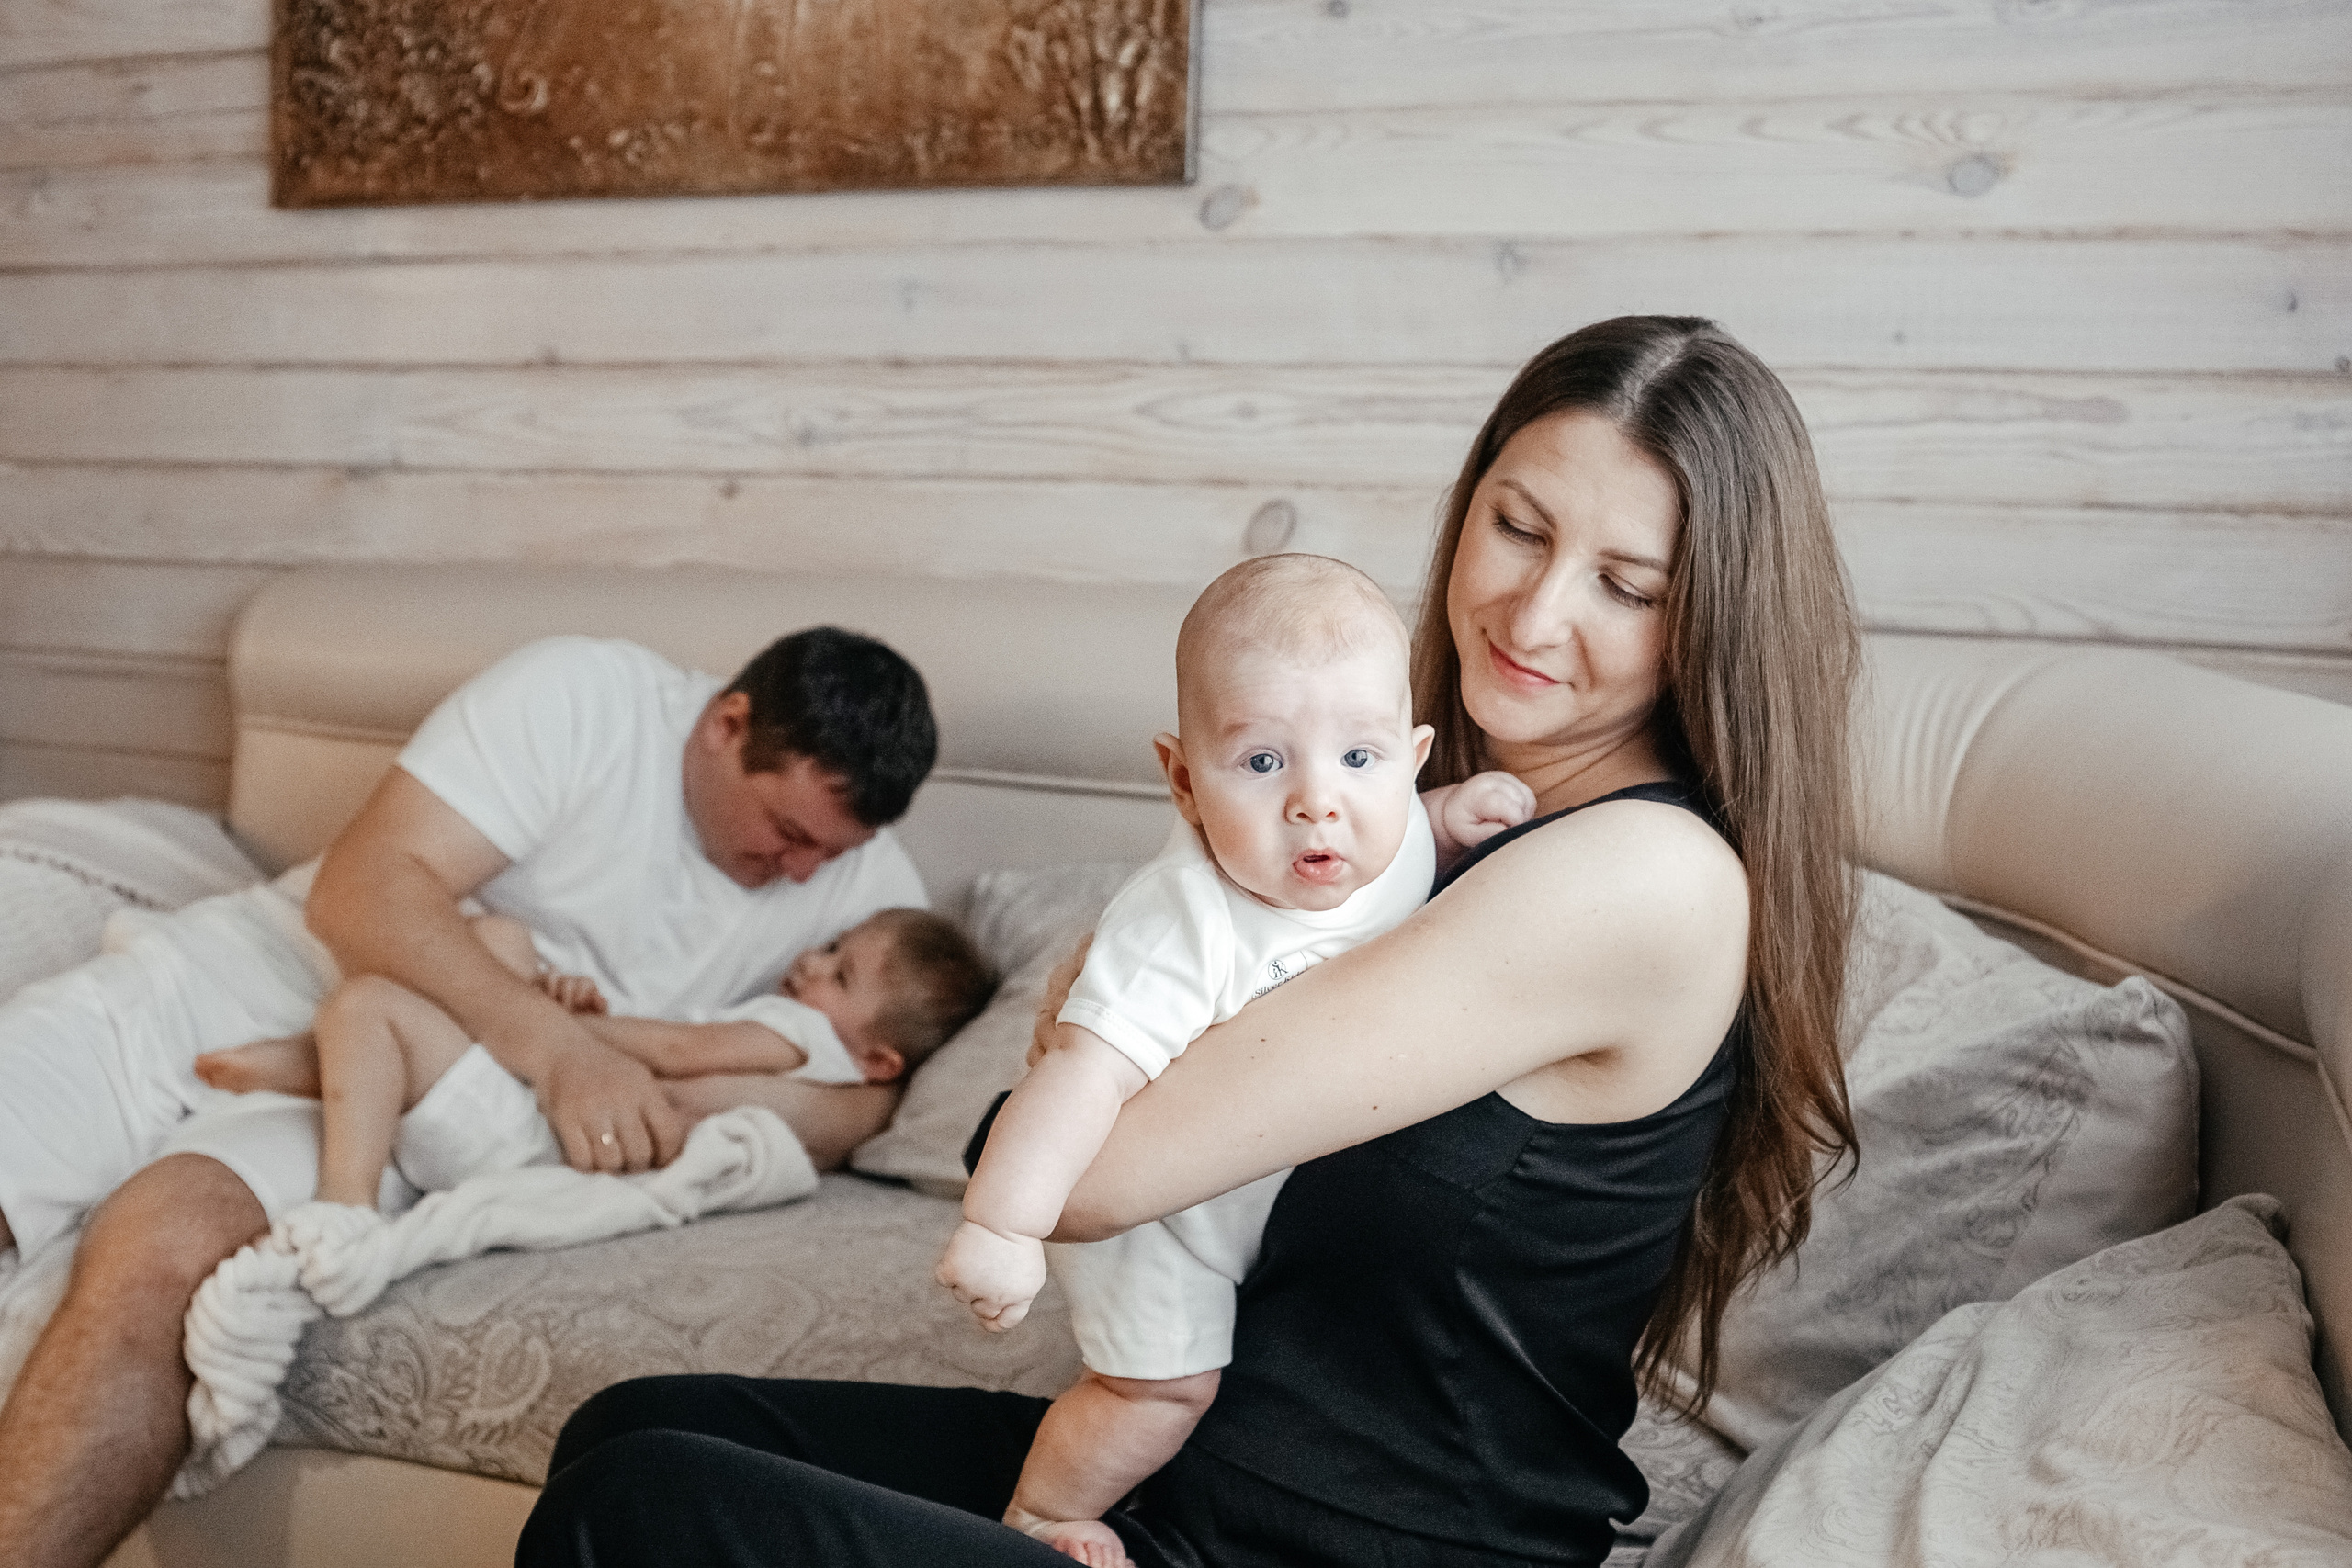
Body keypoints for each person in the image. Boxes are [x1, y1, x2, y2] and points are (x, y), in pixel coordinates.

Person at [518, 314, 1863, 1568]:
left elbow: (1082, 1169)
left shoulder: (1641, 874)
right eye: (1517, 527)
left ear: (1710, 623)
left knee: (633, 1511)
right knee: (633, 1425)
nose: (1532, 612)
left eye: (1626, 584)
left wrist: (1069, 1040)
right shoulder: (1418, 824)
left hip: (1338, 1546)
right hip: (1202, 1479)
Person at [0, 625, 939, 1568]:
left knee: (164, 1241)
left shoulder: (860, 885)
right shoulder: (589, 698)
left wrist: (645, 1079)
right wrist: (564, 1053)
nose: (807, 875)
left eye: (830, 851)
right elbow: (363, 891)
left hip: (395, 1093)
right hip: (252, 973)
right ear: (727, 726)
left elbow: (857, 1105)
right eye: (787, 834)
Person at [936, 555, 1532, 1563]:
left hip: (1263, 1225)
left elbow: (1391, 868)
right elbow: (1078, 1074)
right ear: (1182, 779)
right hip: (1159, 1231)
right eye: (1262, 763)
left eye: (1360, 758)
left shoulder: (1378, 844)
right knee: (1163, 1392)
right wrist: (1003, 1223)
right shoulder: (1184, 924)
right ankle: (1042, 1514)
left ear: (1412, 755)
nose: (1316, 803)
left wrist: (1443, 819)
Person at [193, 906, 993, 1212]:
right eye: (828, 947)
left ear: (880, 1059)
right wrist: (556, 1009)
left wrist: (539, 1021)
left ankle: (344, 1200)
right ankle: (336, 1060)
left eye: (841, 974)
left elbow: (679, 1051)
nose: (812, 964)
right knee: (499, 937)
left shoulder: (808, 1040)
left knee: (369, 1001)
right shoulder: (818, 1037)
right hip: (549, 1099)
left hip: (541, 1130)